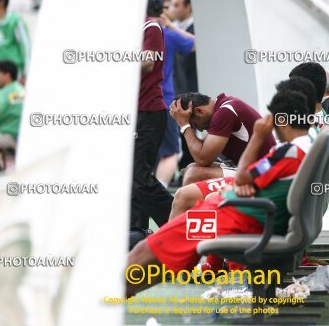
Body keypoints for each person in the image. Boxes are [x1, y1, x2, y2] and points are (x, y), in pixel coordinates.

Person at [127, 89, 314, 297]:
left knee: (148, 252)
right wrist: (235, 188)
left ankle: (108, 294)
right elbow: (254, 180)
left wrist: (257, 138)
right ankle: (198, 265)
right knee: (156, 253)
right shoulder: (306, 147)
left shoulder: (287, 153)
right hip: (246, 214)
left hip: (242, 218)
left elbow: (241, 175)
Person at [129, 0, 174, 246]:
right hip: (133, 114)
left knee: (139, 175)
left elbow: (147, 63)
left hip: (149, 111)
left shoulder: (151, 27)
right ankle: (136, 231)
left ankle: (178, 225)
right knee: (131, 176)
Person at [169, 92, 276, 186]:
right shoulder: (222, 108)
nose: (200, 130)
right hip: (255, 168)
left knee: (194, 175)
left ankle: (194, 208)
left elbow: (203, 159)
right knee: (190, 168)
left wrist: (184, 125)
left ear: (199, 111)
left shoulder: (225, 112)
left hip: (264, 169)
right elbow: (203, 153)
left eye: (195, 125)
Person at [154, 0, 195, 188]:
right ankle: (159, 193)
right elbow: (196, 44)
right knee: (170, 152)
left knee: (147, 151)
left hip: (139, 102)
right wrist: (170, 27)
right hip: (164, 99)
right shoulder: (168, 34)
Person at [171, 0, 198, 181]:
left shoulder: (195, 28)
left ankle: (188, 166)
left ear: (188, 6)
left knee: (191, 126)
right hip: (180, 86)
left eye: (177, 5)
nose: (173, 9)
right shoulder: (175, 29)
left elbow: (194, 43)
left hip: (192, 85)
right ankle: (184, 166)